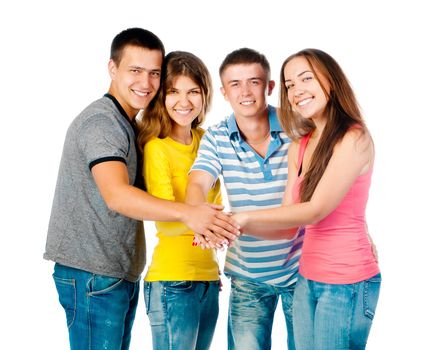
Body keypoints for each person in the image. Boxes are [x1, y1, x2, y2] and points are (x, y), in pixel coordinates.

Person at [44, 28, 239, 350]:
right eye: (135, 71)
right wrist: (192, 214)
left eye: (153, 74)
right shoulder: (102, 123)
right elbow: (117, 195)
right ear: (112, 69)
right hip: (92, 271)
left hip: (116, 271)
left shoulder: (130, 127)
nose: (145, 83)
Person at [230, 48, 381, 349]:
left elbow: (314, 211)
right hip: (306, 278)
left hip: (346, 282)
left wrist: (243, 217)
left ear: (332, 81)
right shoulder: (299, 146)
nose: (297, 90)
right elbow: (288, 223)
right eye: (289, 85)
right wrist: (229, 227)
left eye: (306, 79)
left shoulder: (354, 138)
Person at [186, 48, 303, 350]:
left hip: (302, 270)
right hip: (248, 274)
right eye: (235, 84)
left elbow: (331, 186)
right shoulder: (217, 137)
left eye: (254, 81)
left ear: (270, 87)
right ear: (224, 92)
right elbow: (198, 181)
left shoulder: (299, 127)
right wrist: (199, 213)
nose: (245, 91)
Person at [137, 51, 221, 350]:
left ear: (205, 95)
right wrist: (207, 227)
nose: (183, 102)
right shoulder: (157, 147)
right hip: (173, 281)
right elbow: (165, 219)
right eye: (173, 92)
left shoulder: (206, 140)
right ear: (161, 96)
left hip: (209, 278)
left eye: (193, 92)